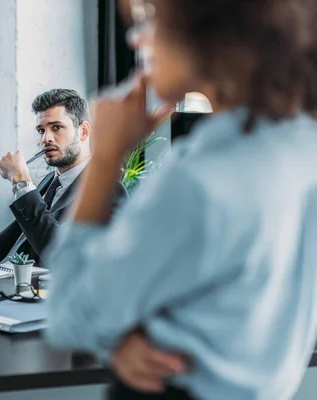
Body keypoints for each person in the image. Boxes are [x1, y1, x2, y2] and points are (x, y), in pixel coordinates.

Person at [44, 0, 317, 399]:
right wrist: (125, 337)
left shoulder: (198, 180)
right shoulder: (301, 146)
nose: (137, 38)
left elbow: (69, 313)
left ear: (210, 35)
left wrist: (105, 159)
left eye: (150, 21)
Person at [0, 89, 127, 266]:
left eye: (56, 127)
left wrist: (22, 183)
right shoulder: (49, 182)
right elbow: (17, 242)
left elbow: (63, 256)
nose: (46, 139)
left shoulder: (109, 190)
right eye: (41, 130)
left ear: (83, 131)